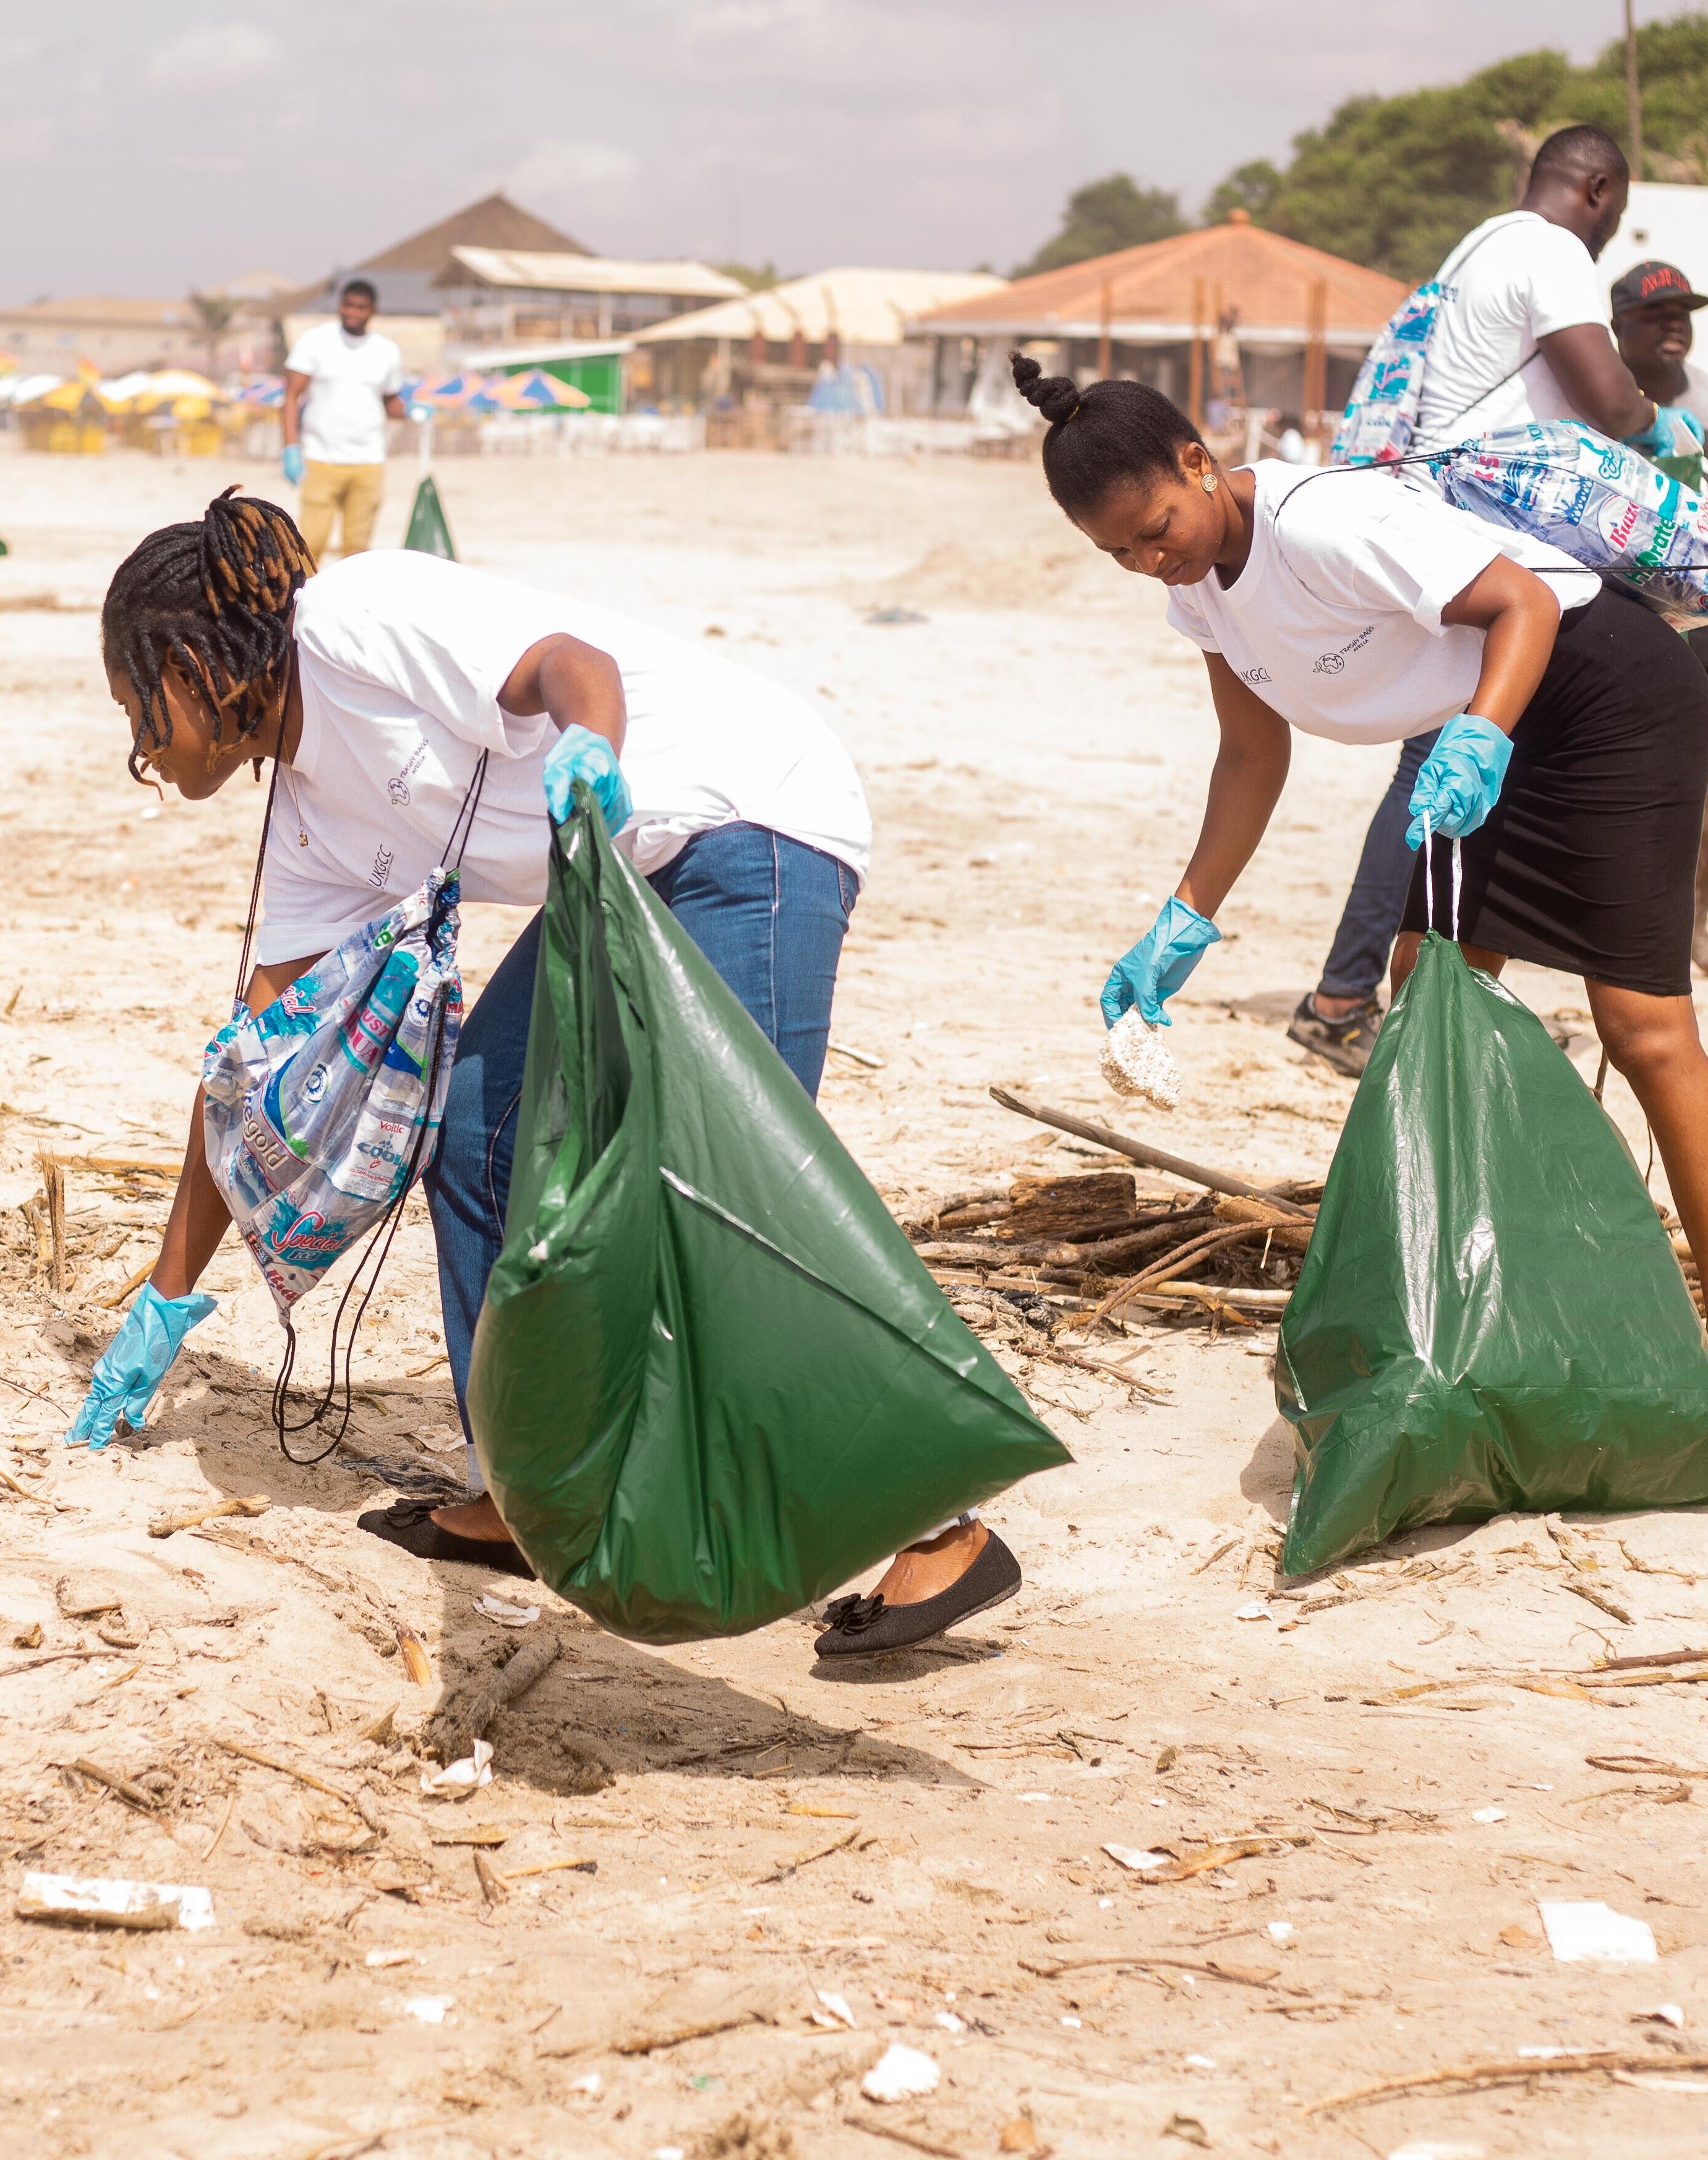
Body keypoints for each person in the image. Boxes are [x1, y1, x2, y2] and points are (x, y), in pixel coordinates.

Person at [78, 489, 1024, 1660]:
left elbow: (568, 665)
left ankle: (948, 1524)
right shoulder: (308, 820)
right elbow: (247, 1078)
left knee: (731, 1184)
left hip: (747, 821)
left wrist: (593, 751)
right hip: (620, 876)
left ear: (190, 665)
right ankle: (526, 1494)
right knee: (473, 1126)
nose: (142, 750)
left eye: (137, 708)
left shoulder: (355, 618)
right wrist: (165, 1302)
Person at [1012, 356, 1708, 1431]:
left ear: (1200, 461)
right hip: (1496, 721)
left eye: (1156, 528)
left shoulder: (1322, 522)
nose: (1150, 561)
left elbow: (1520, 603)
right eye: (1119, 553)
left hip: (1605, 699)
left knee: (1640, 1022)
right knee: (1423, 987)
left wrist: (1475, 738)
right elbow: (1249, 754)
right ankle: (1479, 1276)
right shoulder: (1199, 596)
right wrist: (1184, 915)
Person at [1288, 124, 1701, 1076]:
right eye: (1616, 218)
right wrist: (1661, 429)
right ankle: (1357, 1000)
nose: (1605, 240)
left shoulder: (1475, 247)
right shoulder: (1548, 250)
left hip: (1434, 535)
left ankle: (1382, 997)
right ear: (1596, 189)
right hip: (1487, 553)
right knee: (1443, 783)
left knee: (1440, 778)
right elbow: (1606, 398)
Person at [1608, 260, 1708, 976]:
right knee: (1612, 780)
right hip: (1617, 621)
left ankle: (1695, 926)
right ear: (1618, 324)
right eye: (1657, 313)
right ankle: (1606, 927)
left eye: (1685, 312)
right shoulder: (1593, 392)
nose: (1675, 324)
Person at [279, 278, 404, 566]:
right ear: (340, 305)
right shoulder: (316, 341)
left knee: (357, 550)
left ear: (373, 310)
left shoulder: (387, 351)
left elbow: (390, 402)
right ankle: (299, 607)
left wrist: (412, 410)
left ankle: (347, 608)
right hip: (321, 457)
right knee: (310, 545)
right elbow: (291, 397)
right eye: (348, 305)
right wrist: (290, 447)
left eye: (361, 308)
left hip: (368, 461)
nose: (354, 313)